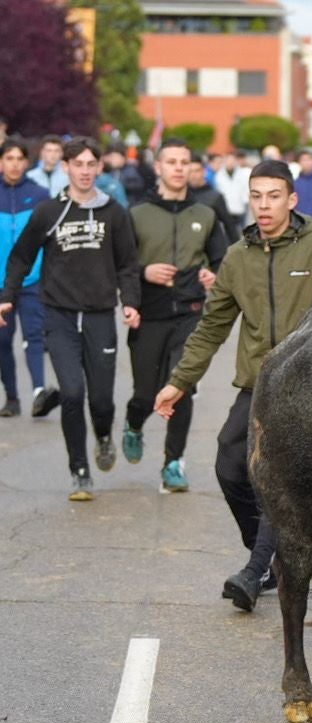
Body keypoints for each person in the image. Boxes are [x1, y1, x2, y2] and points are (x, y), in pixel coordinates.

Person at [153, 159, 312, 612]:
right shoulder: (237, 258)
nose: (264, 206)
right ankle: (272, 555)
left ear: (292, 200)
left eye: (273, 197)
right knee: (230, 468)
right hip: (258, 384)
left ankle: (255, 571)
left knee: (276, 480)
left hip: (309, 387)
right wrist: (178, 383)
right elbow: (212, 327)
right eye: (257, 196)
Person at [0, 136, 141, 500]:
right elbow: (20, 258)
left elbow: (127, 263)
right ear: (65, 168)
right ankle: (79, 471)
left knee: (102, 399)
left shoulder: (114, 213)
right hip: (59, 316)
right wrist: (7, 297)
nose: (84, 171)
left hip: (99, 317)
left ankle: (105, 435)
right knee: (73, 393)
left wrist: (130, 301)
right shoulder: (49, 211)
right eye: (77, 164)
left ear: (98, 167)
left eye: (90, 164)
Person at [123, 138, 227, 492]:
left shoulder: (205, 214)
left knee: (180, 387)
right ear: (159, 167)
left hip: (190, 314)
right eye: (172, 162)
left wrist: (214, 277)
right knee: (145, 394)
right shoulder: (137, 214)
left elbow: (222, 262)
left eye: (185, 161)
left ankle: (172, 464)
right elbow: (120, 266)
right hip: (148, 315)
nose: (179, 168)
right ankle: (134, 424)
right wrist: (144, 272)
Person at [0, 137, 57, 419]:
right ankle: (11, 397)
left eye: (18, 159)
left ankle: (38, 393)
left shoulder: (39, 195)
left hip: (32, 279)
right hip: (0, 284)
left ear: (26, 162)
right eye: (8, 158)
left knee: (34, 336)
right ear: (1, 162)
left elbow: (50, 238)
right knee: (3, 340)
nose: (14, 164)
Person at [188, 156, 241, 243]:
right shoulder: (182, 196)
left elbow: (229, 225)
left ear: (204, 172)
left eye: (197, 171)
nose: (193, 175)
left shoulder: (215, 197)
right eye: (190, 171)